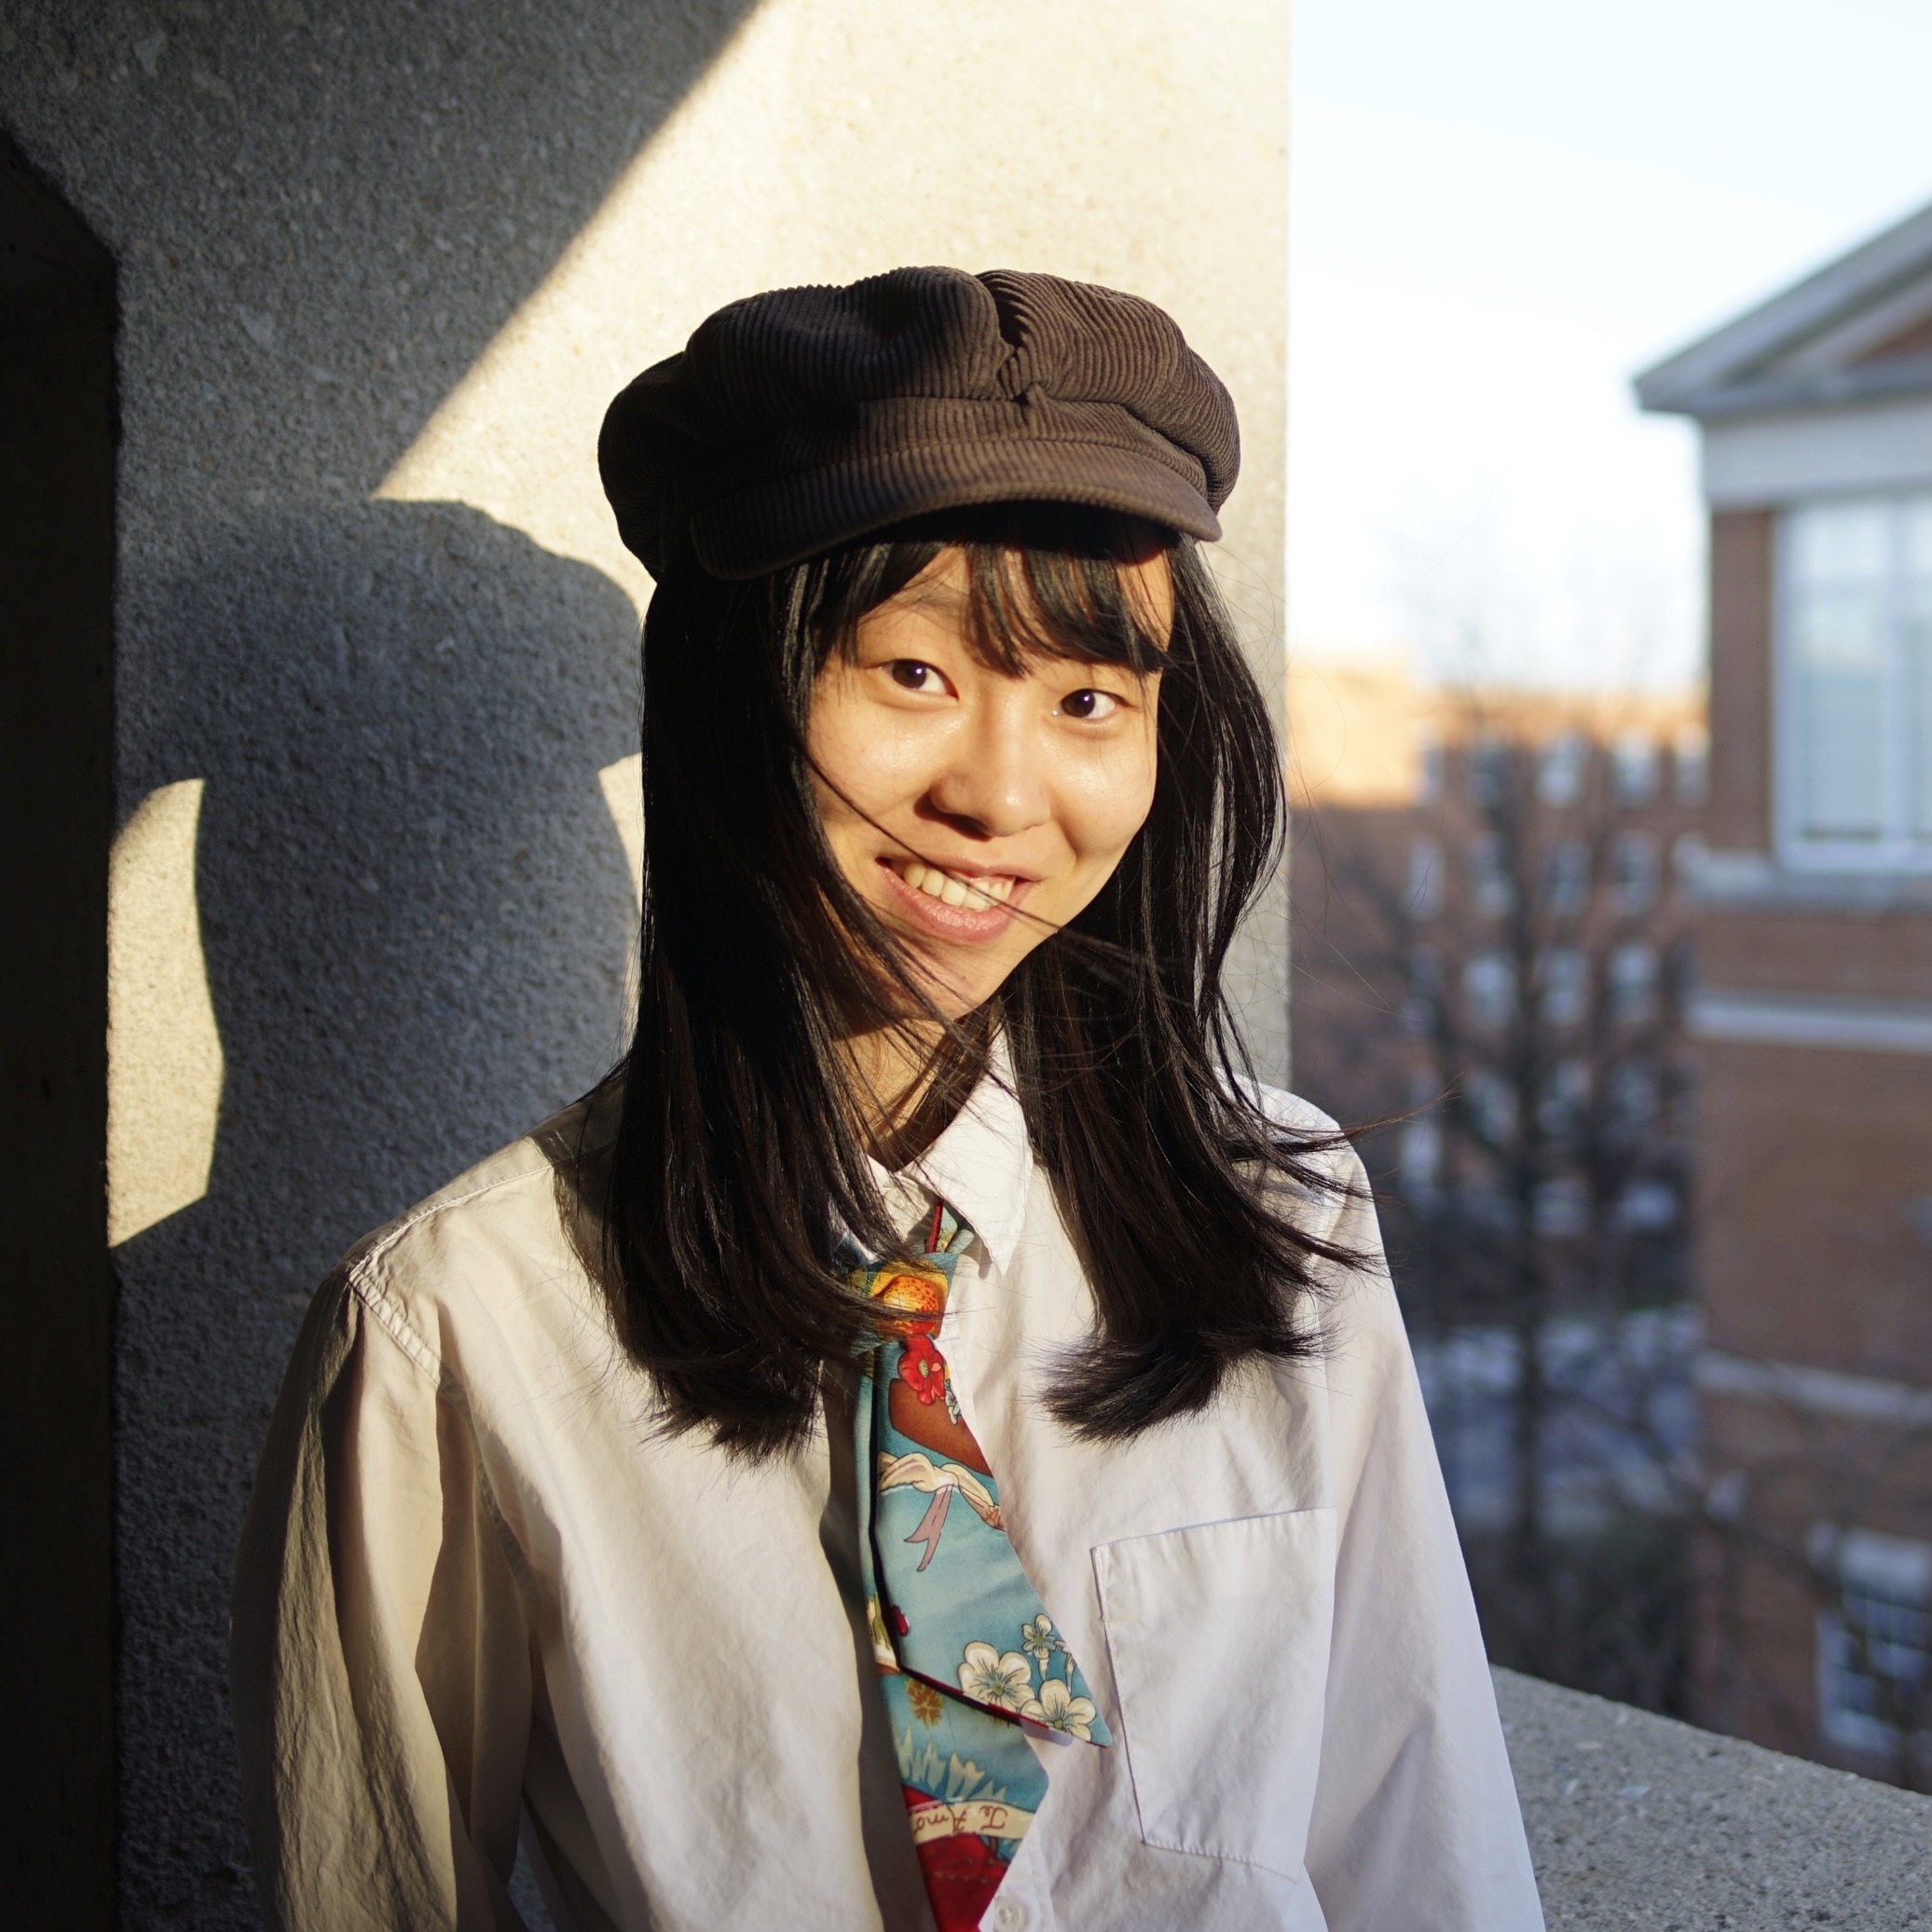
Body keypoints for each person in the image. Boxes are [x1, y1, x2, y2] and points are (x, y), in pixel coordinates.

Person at [231, 267, 1543, 1932]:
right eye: (913, 673)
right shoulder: (456, 1327)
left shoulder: (1277, 1206)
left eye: (1087, 700)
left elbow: (1414, 1828)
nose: (999, 792)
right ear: (731, 701)